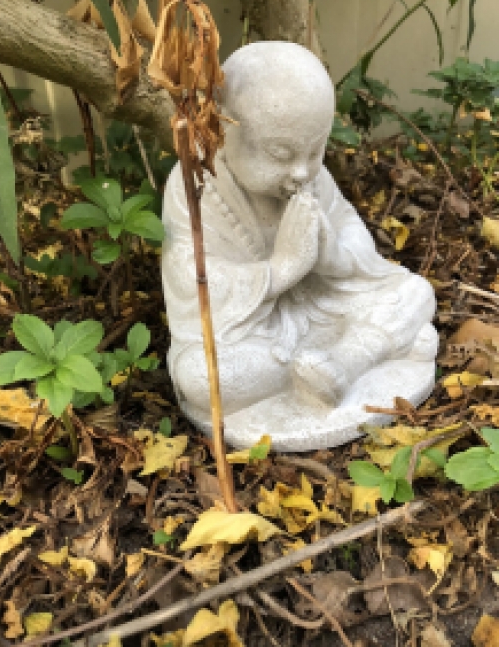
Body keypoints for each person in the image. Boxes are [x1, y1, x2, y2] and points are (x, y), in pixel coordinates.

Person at [161, 41, 437, 451]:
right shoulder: (193, 185)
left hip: (322, 306)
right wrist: (281, 271)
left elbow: (352, 237)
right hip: (255, 333)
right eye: (281, 153)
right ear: (221, 129)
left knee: (415, 291)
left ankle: (347, 360)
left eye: (315, 150)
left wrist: (329, 256)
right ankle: (361, 351)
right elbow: (191, 279)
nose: (303, 171)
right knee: (202, 379)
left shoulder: (313, 177)